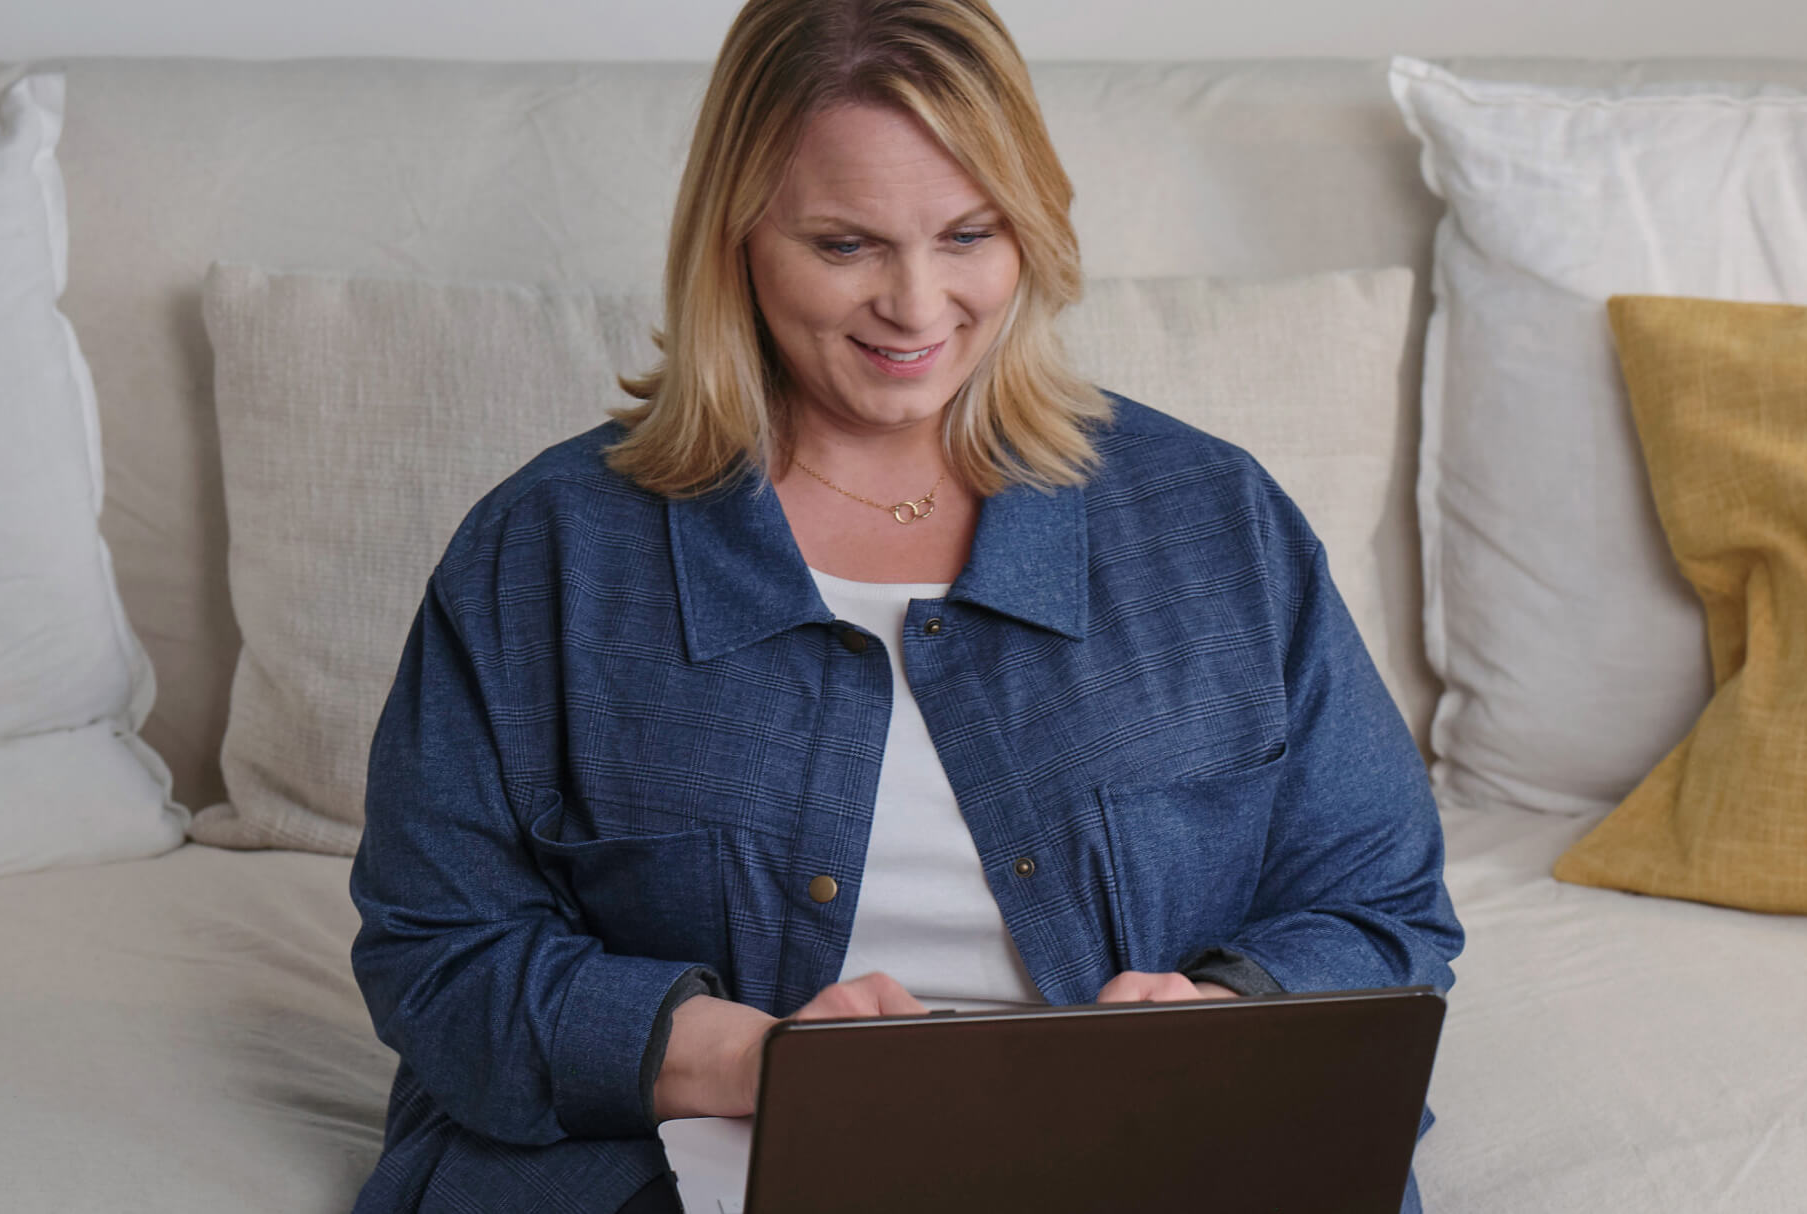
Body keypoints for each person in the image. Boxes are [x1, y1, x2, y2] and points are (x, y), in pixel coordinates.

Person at [348, 1, 1464, 1211]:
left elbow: (1380, 904)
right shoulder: (550, 549)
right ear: (736, 238)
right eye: (845, 246)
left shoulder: (1214, 520)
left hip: (1148, 1156)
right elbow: (439, 948)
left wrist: (1225, 1012)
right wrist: (750, 1059)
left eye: (969, 234)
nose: (919, 307)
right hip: (681, 1158)